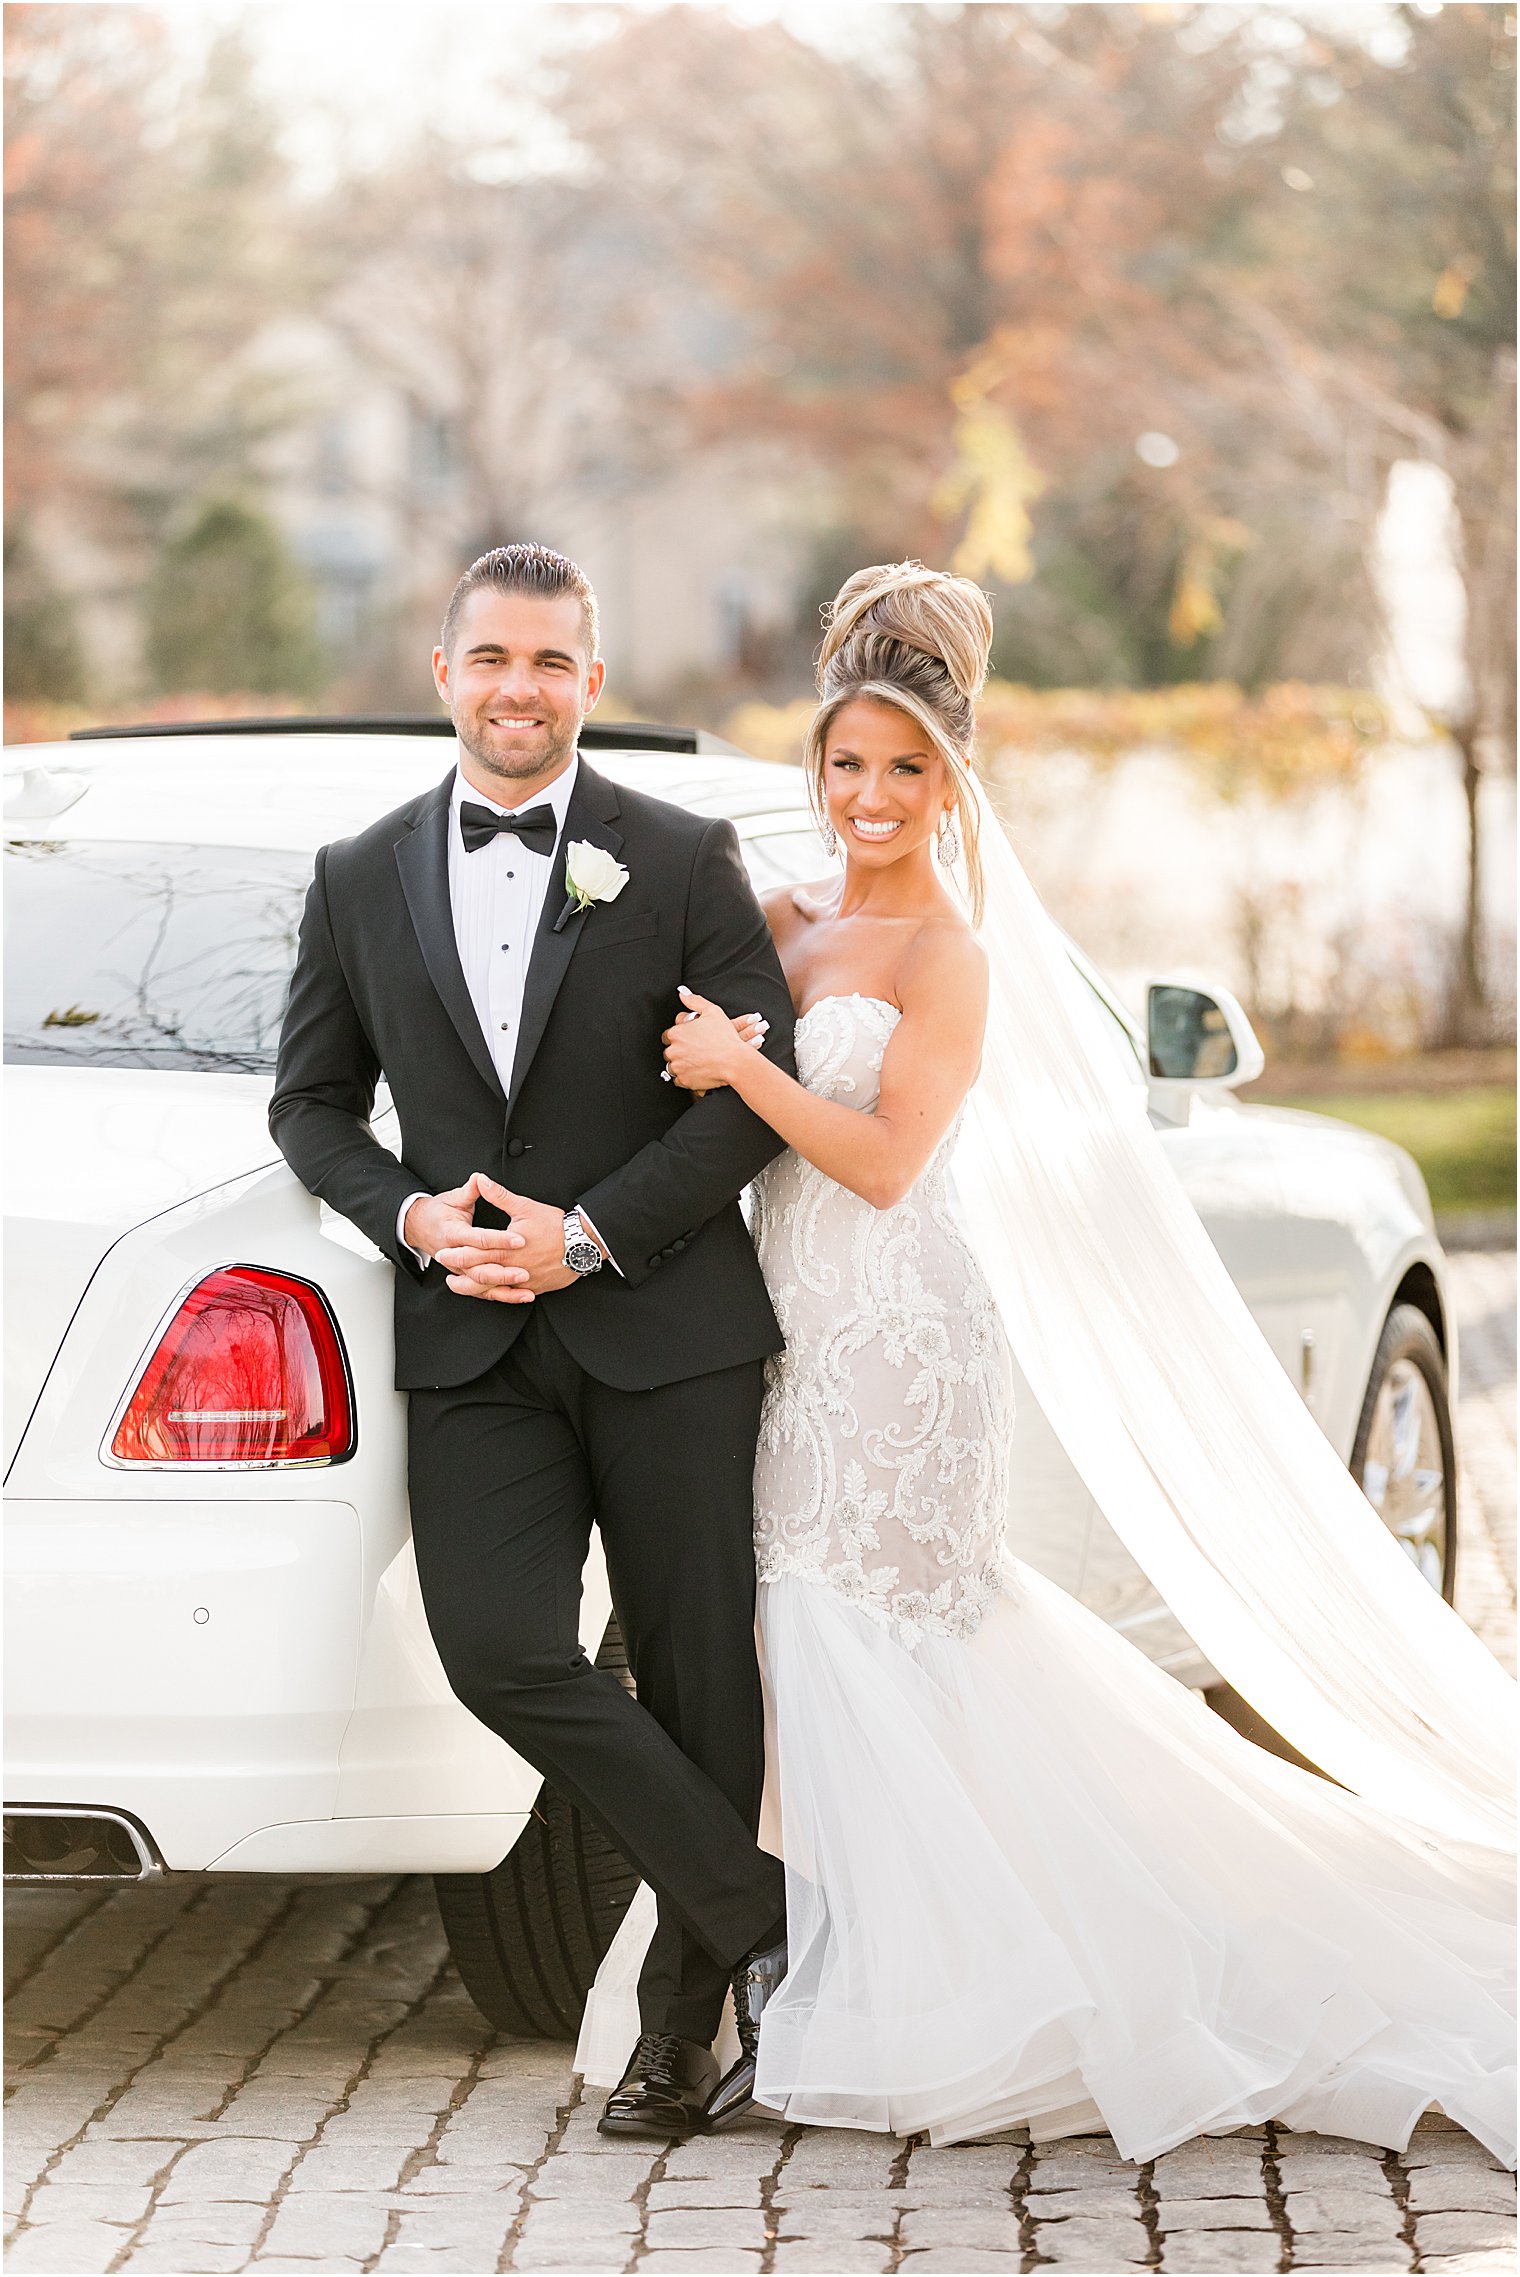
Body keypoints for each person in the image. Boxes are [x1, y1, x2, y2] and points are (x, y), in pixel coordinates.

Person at [576, 561, 1515, 2167]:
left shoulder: (953, 954)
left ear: (953, 783)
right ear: (818, 768)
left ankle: (903, 1994)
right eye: (848, 764)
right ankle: (823, 1971)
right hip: (775, 1329)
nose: (871, 798)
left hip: (900, 1335)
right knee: (790, 1650)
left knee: (843, 1627)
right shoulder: (778, 915)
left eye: (907, 770)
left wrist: (743, 1063)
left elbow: (880, 1158)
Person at [270, 541, 792, 2142]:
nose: (520, 689)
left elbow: (750, 1111)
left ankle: (674, 2043)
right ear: (443, 673)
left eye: (551, 663)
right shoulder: (358, 872)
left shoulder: (687, 856)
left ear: (594, 683)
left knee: (701, 1673)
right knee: (496, 1642)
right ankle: (763, 1909)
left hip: (665, 1325)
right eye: (492, 658)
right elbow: (308, 1104)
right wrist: (418, 1219)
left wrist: (591, 1232)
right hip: (472, 1341)